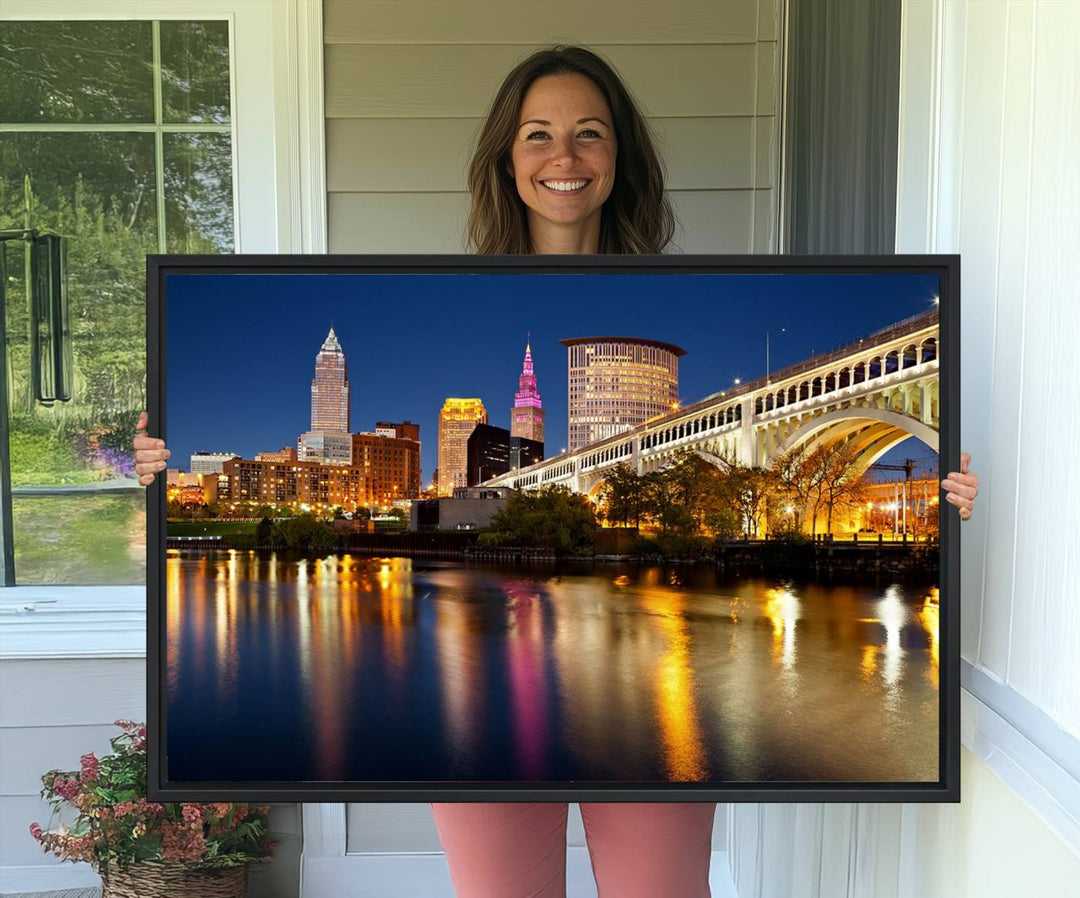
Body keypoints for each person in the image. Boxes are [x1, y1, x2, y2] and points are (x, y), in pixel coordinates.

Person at [133, 45, 979, 898]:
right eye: (538, 134)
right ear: (507, 157)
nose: (564, 157)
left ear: (621, 159)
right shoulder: (459, 297)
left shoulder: (681, 288)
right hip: (513, 730)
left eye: (589, 134)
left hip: (646, 718)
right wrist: (158, 469)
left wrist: (951, 505)